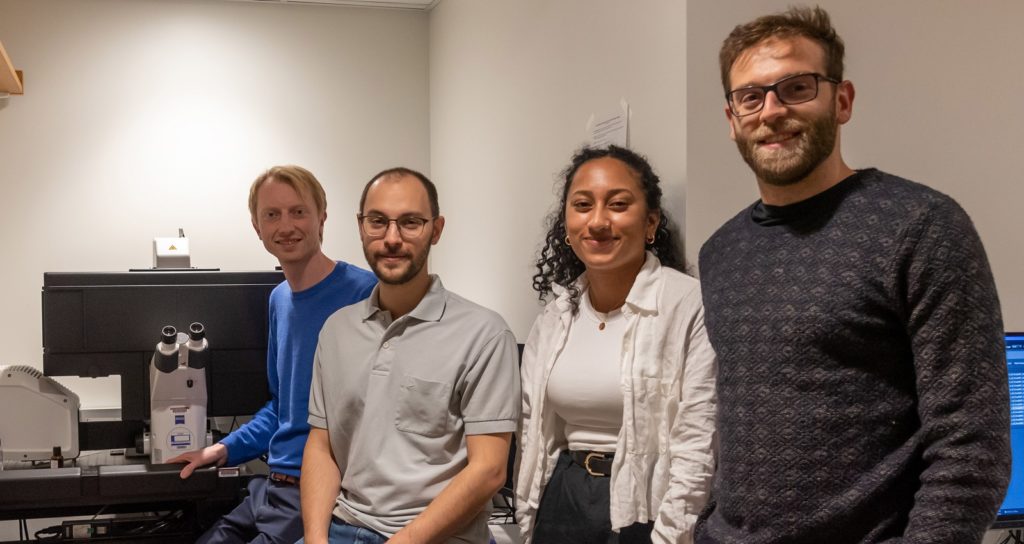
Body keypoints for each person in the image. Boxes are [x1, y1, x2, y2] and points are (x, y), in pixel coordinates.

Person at [695, 6, 1009, 544]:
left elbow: (972, 446)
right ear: (732, 119)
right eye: (751, 96)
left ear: (842, 101)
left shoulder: (921, 227)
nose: (771, 110)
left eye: (796, 87)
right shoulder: (719, 252)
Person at [299, 167, 521, 544]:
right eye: (378, 222)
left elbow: (489, 471)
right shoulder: (337, 330)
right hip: (342, 527)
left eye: (410, 223)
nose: (391, 238)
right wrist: (316, 539)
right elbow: (322, 446)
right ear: (360, 226)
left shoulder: (484, 334)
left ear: (436, 229)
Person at [517, 145, 717, 544]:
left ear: (651, 222)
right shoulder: (556, 316)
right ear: (567, 223)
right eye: (582, 205)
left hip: (648, 505)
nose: (598, 221)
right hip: (565, 497)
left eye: (619, 204)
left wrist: (672, 535)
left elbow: (697, 441)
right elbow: (532, 429)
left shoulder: (687, 305)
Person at [168, 165, 377, 544]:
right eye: (272, 215)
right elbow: (283, 407)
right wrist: (222, 448)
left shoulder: (364, 294)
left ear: (322, 218)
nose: (286, 226)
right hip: (270, 486)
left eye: (298, 212)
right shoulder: (278, 299)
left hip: (319, 493)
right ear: (257, 227)